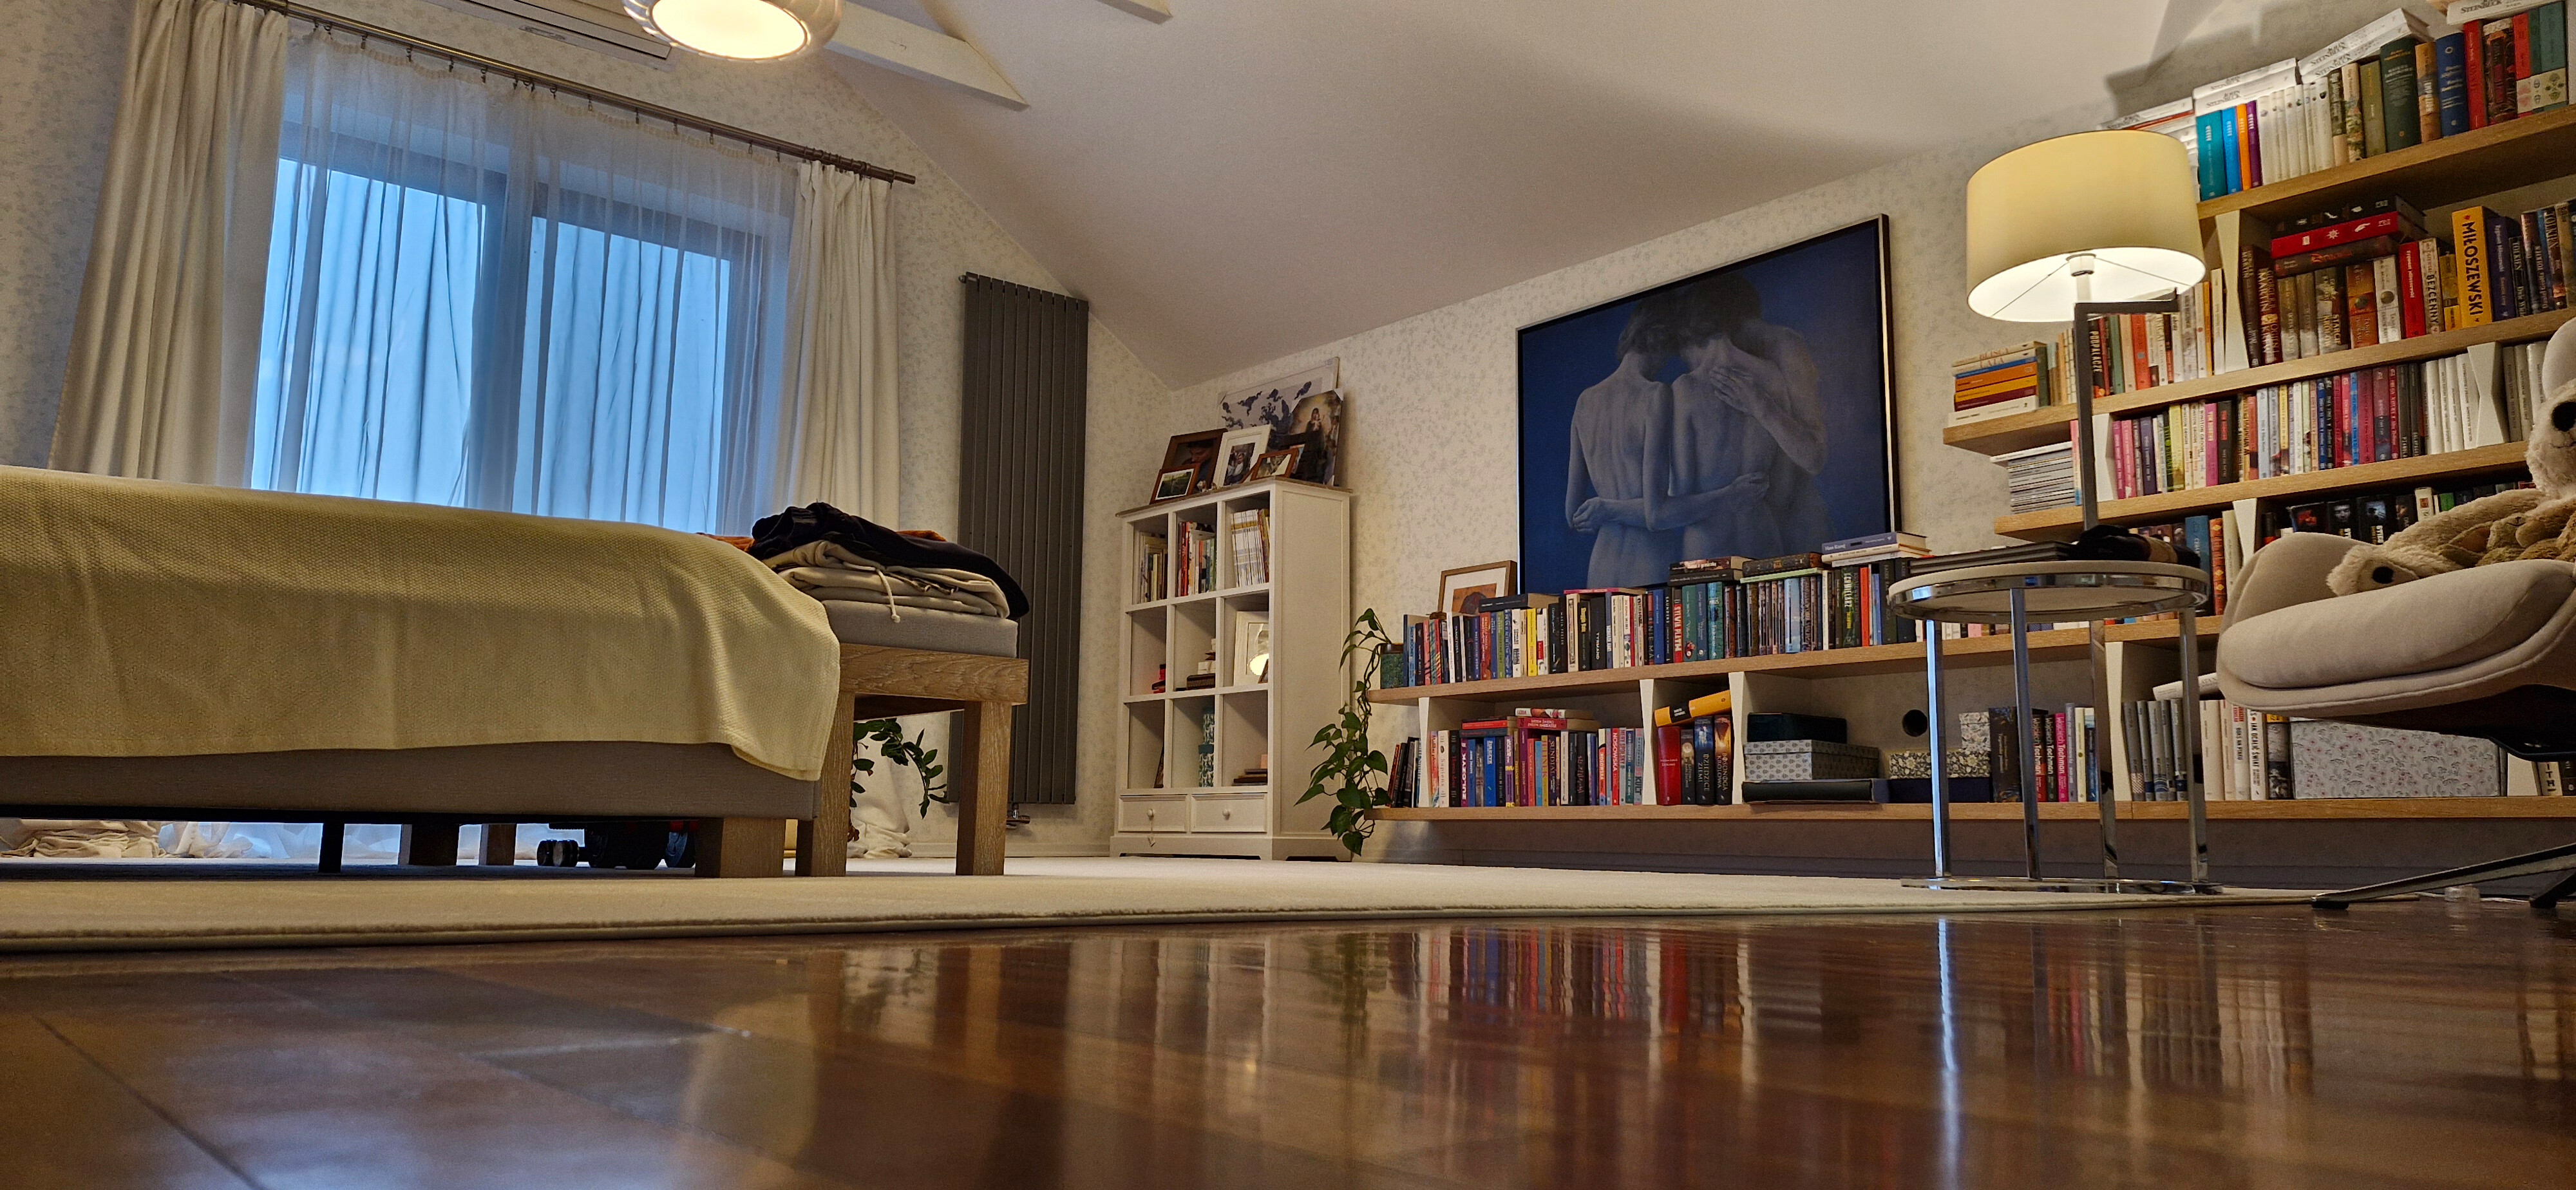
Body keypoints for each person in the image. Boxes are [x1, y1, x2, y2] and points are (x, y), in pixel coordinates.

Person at [1563, 291, 1687, 587]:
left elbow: (1573, 514)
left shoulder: (1585, 401)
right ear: (1662, 340)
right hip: (1648, 560)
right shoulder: (1655, 395)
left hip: (1601, 565)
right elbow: (1657, 512)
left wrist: (1604, 508)